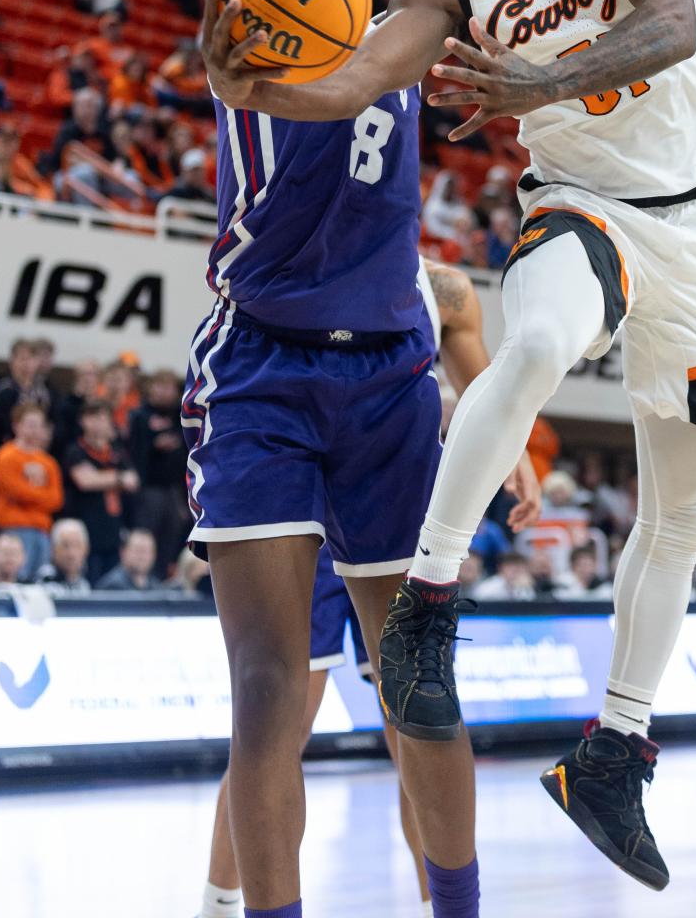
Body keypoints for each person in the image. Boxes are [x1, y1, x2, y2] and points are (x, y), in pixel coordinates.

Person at [204, 0, 696, 900]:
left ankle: (614, 751)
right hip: (555, 218)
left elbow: (667, 23)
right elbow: (344, 72)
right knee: (540, 338)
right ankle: (426, 613)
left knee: (693, 494)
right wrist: (251, 86)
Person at [191, 0, 606, 918]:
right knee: (267, 701)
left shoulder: (425, 16)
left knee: (416, 694)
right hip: (259, 369)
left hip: (387, 383)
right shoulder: (267, 21)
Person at [191, 256, 541, 918]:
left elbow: (486, 389)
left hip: (388, 500)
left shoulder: (447, 290)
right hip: (298, 525)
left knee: (412, 714)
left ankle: (434, 900)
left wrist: (516, 454)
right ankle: (217, 905)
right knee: (277, 720)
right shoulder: (287, 258)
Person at [63, 398, 139, 583]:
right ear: (83, 421)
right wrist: (118, 478)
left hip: (113, 529)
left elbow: (134, 481)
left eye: (102, 418)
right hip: (86, 529)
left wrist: (102, 477)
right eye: (92, 417)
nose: (98, 422)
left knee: (111, 582)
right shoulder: (76, 450)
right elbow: (86, 481)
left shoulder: (116, 451)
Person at [129, 369, 192, 577]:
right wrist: (155, 445)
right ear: (150, 388)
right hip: (149, 489)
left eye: (169, 387)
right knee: (146, 538)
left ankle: (163, 578)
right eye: (159, 385)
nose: (164, 391)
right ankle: (142, 579)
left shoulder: (181, 416)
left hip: (174, 491)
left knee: (172, 538)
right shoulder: (139, 415)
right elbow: (134, 452)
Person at [0, 402, 64, 577]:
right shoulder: (5, 456)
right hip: (14, 530)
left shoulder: (48, 462)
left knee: (41, 580)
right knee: (16, 578)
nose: (35, 430)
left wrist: (31, 493)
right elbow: (14, 491)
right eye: (30, 424)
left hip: (42, 531)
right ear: (17, 425)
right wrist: (40, 495)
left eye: (39, 425)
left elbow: (56, 500)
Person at [0, 339, 53, 445]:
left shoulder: (43, 391)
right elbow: (2, 426)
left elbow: (47, 421)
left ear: (37, 362)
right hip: (4, 446)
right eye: (22, 359)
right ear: (12, 361)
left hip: (35, 447)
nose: (26, 364)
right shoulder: (4, 388)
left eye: (31, 359)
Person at [36, 517, 92, 592]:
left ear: (86, 549)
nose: (71, 554)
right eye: (65, 546)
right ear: (53, 549)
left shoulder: (85, 583)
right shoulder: (45, 580)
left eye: (77, 545)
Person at [96, 529, 161, 591]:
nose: (142, 556)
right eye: (137, 550)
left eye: (146, 551)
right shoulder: (111, 587)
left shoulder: (157, 588)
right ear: (123, 552)